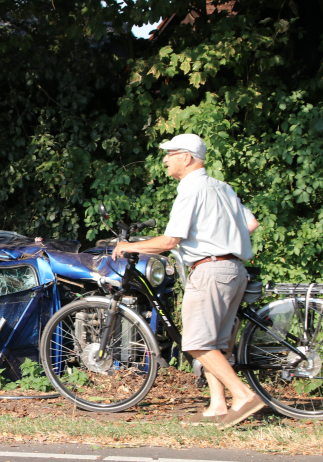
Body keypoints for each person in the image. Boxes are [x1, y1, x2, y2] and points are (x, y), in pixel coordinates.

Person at [112, 133, 263, 428]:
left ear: (187, 157)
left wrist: (128, 246)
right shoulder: (222, 187)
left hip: (210, 271)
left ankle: (242, 396)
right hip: (234, 270)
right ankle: (218, 406)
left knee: (195, 342)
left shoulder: (190, 189)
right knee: (215, 344)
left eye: (170, 153)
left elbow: (169, 241)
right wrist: (222, 238)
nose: (165, 159)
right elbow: (251, 223)